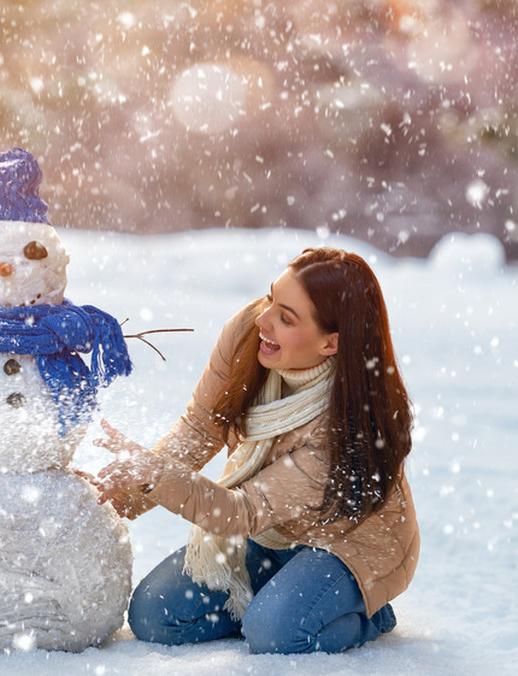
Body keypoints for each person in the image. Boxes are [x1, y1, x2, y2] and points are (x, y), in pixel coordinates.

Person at [91, 247, 418, 654]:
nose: (263, 319)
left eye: (287, 318)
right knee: (155, 616)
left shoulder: (341, 430)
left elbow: (240, 512)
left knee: (276, 634)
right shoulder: (251, 334)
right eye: (271, 299)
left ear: (331, 343)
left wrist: (154, 473)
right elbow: (202, 426)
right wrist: (123, 495)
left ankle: (366, 614)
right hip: (270, 531)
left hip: (346, 545)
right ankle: (279, 596)